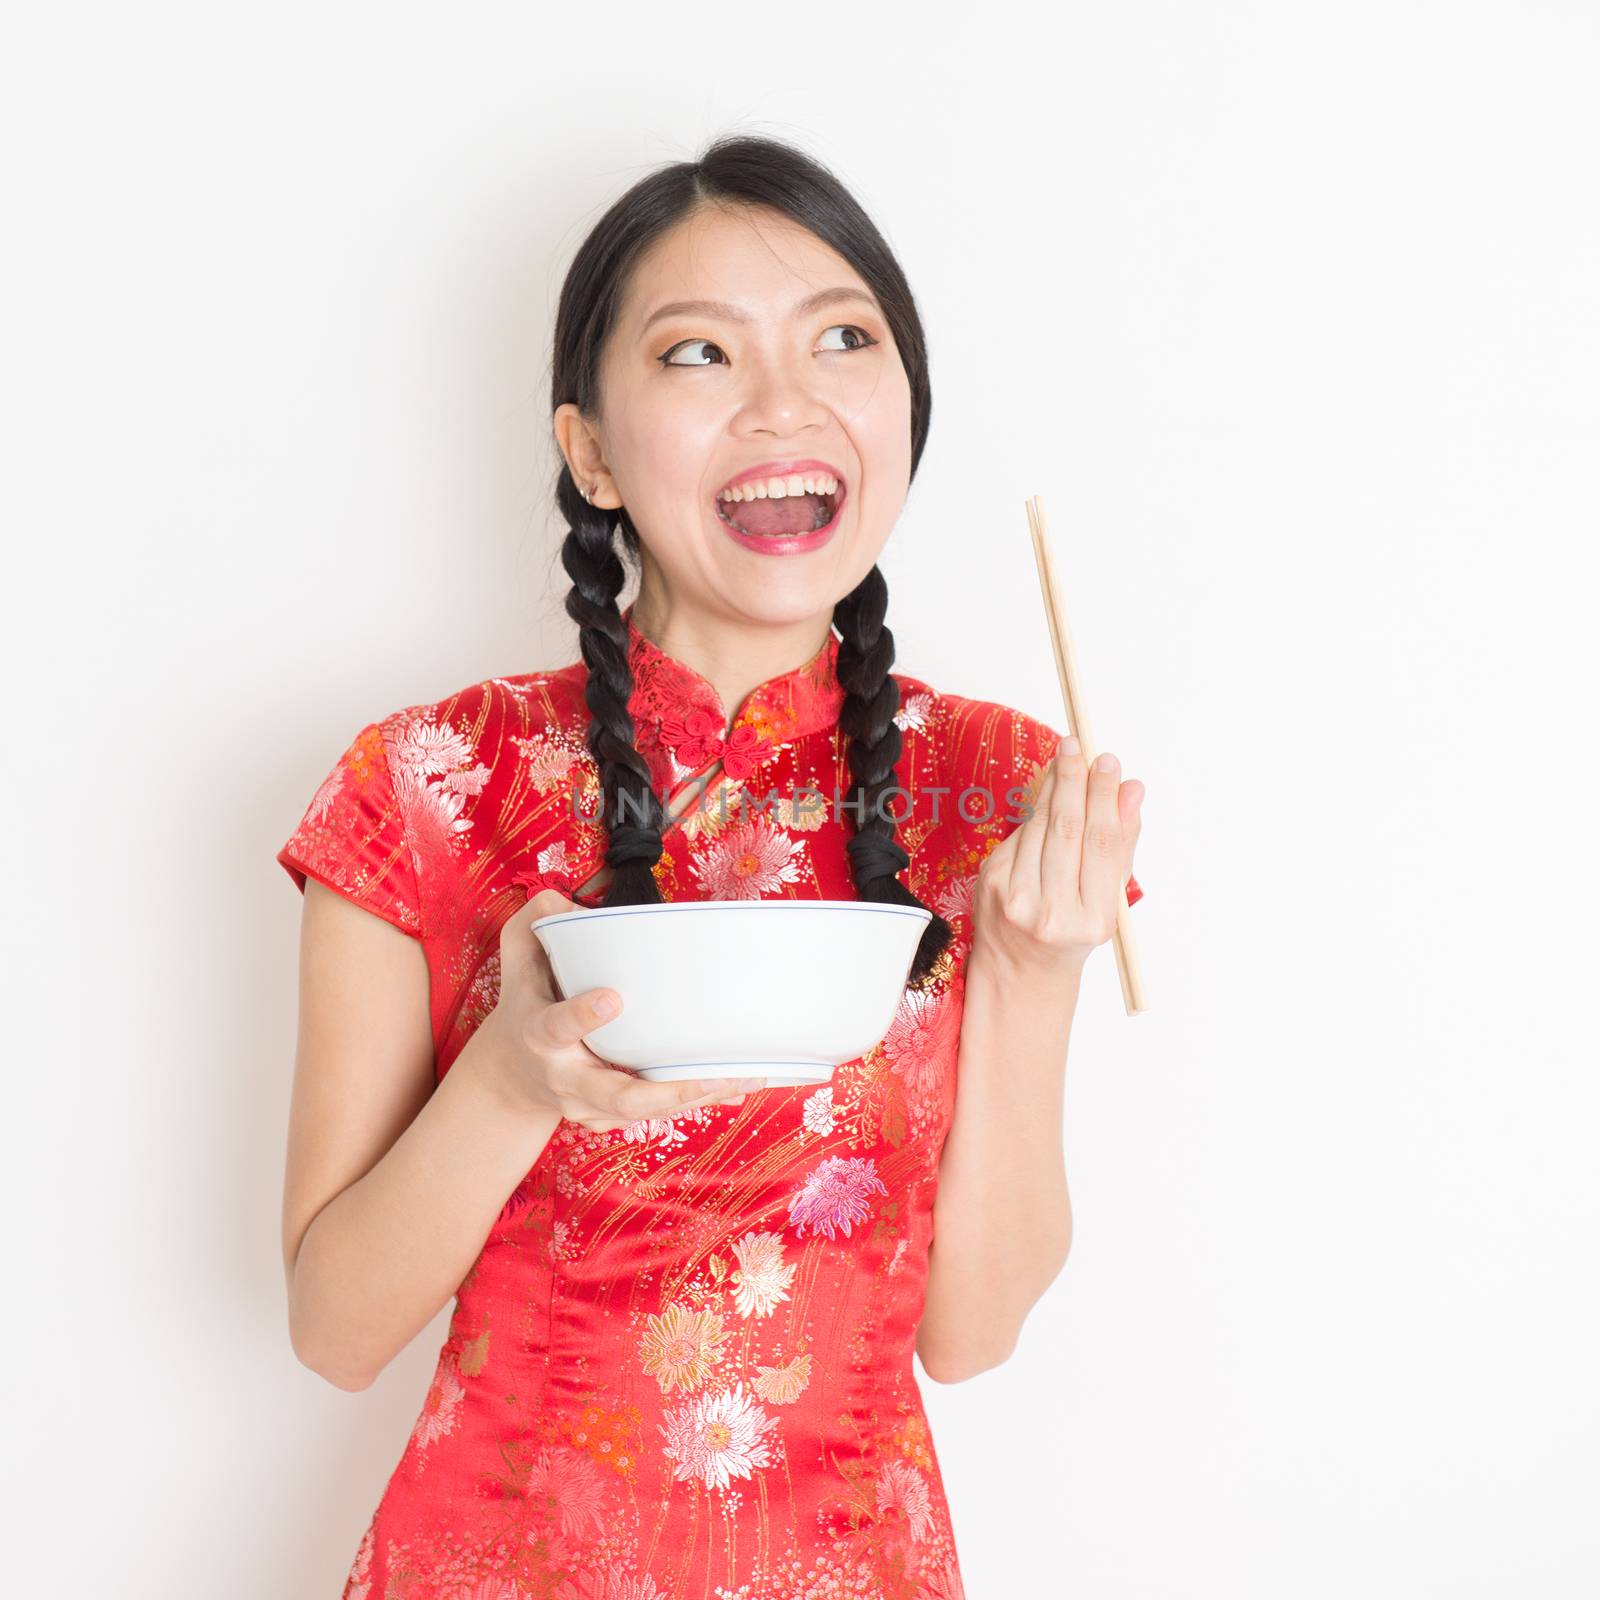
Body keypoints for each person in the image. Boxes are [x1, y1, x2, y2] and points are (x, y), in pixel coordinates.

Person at [277, 132, 1145, 1600]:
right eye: (700, 356)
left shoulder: (997, 788)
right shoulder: (426, 783)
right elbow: (334, 1329)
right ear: (591, 449)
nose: (787, 403)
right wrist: (505, 1077)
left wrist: (1035, 965)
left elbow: (971, 1331)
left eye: (843, 341)